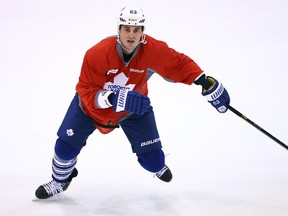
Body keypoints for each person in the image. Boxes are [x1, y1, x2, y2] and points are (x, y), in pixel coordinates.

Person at [35, 6, 230, 199]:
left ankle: (157, 166)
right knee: (64, 148)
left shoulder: (153, 50)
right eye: (126, 29)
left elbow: (177, 63)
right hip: (90, 109)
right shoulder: (96, 53)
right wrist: (113, 98)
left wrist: (204, 81)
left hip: (134, 109)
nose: (131, 35)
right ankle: (60, 181)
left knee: (153, 162)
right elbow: (86, 89)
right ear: (118, 30)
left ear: (143, 33)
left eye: (136, 30)